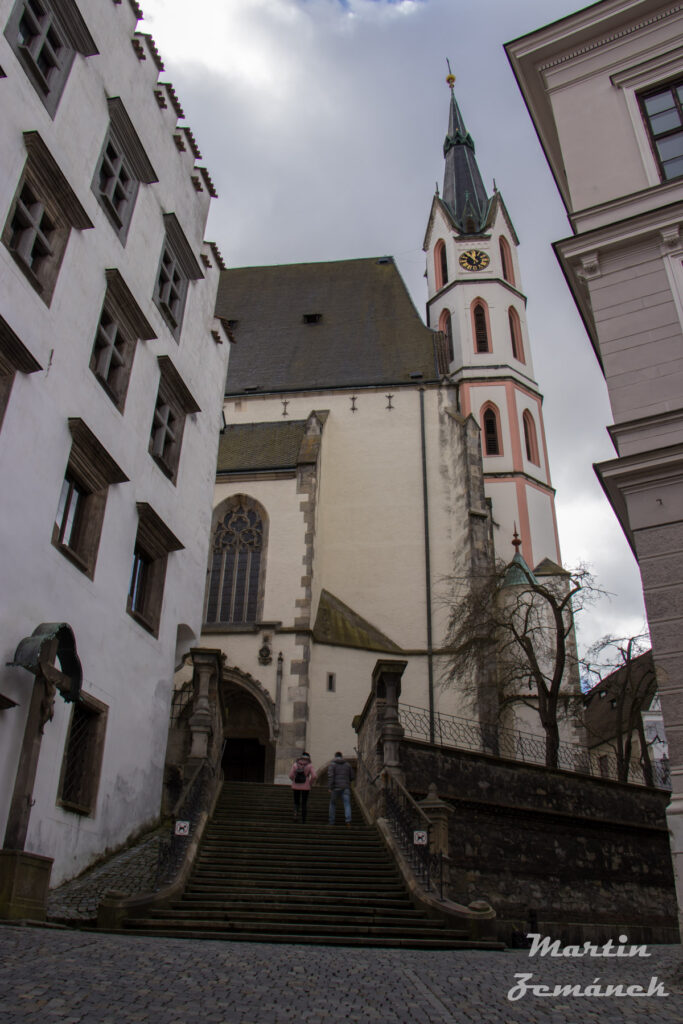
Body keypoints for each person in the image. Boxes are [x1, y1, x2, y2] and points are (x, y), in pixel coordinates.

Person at [328, 751, 354, 825]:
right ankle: (348, 820)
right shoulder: (348, 765)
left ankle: (331, 821)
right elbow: (352, 776)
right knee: (347, 804)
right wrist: (347, 781)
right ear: (342, 756)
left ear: (335, 756)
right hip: (346, 787)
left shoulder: (332, 765)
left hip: (335, 787)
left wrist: (330, 787)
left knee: (332, 804)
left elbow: (331, 776)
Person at [289, 751, 316, 823]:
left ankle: (295, 814)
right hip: (305, 786)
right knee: (304, 802)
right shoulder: (310, 765)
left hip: (296, 785)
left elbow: (291, 775)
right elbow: (314, 776)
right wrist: (309, 783)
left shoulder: (295, 764)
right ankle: (303, 819)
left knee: (296, 802)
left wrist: (294, 780)